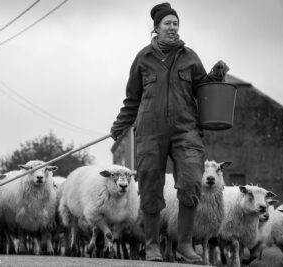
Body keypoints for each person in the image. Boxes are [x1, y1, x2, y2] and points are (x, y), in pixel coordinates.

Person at [110, 2, 229, 263]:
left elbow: (203, 91)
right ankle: (152, 245)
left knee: (190, 182)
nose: (173, 27)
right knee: (151, 187)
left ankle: (184, 245)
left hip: (186, 129)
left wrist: (215, 77)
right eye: (168, 23)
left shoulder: (190, 57)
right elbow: (132, 99)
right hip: (150, 132)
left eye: (176, 23)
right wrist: (121, 125)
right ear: (156, 28)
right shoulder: (143, 58)